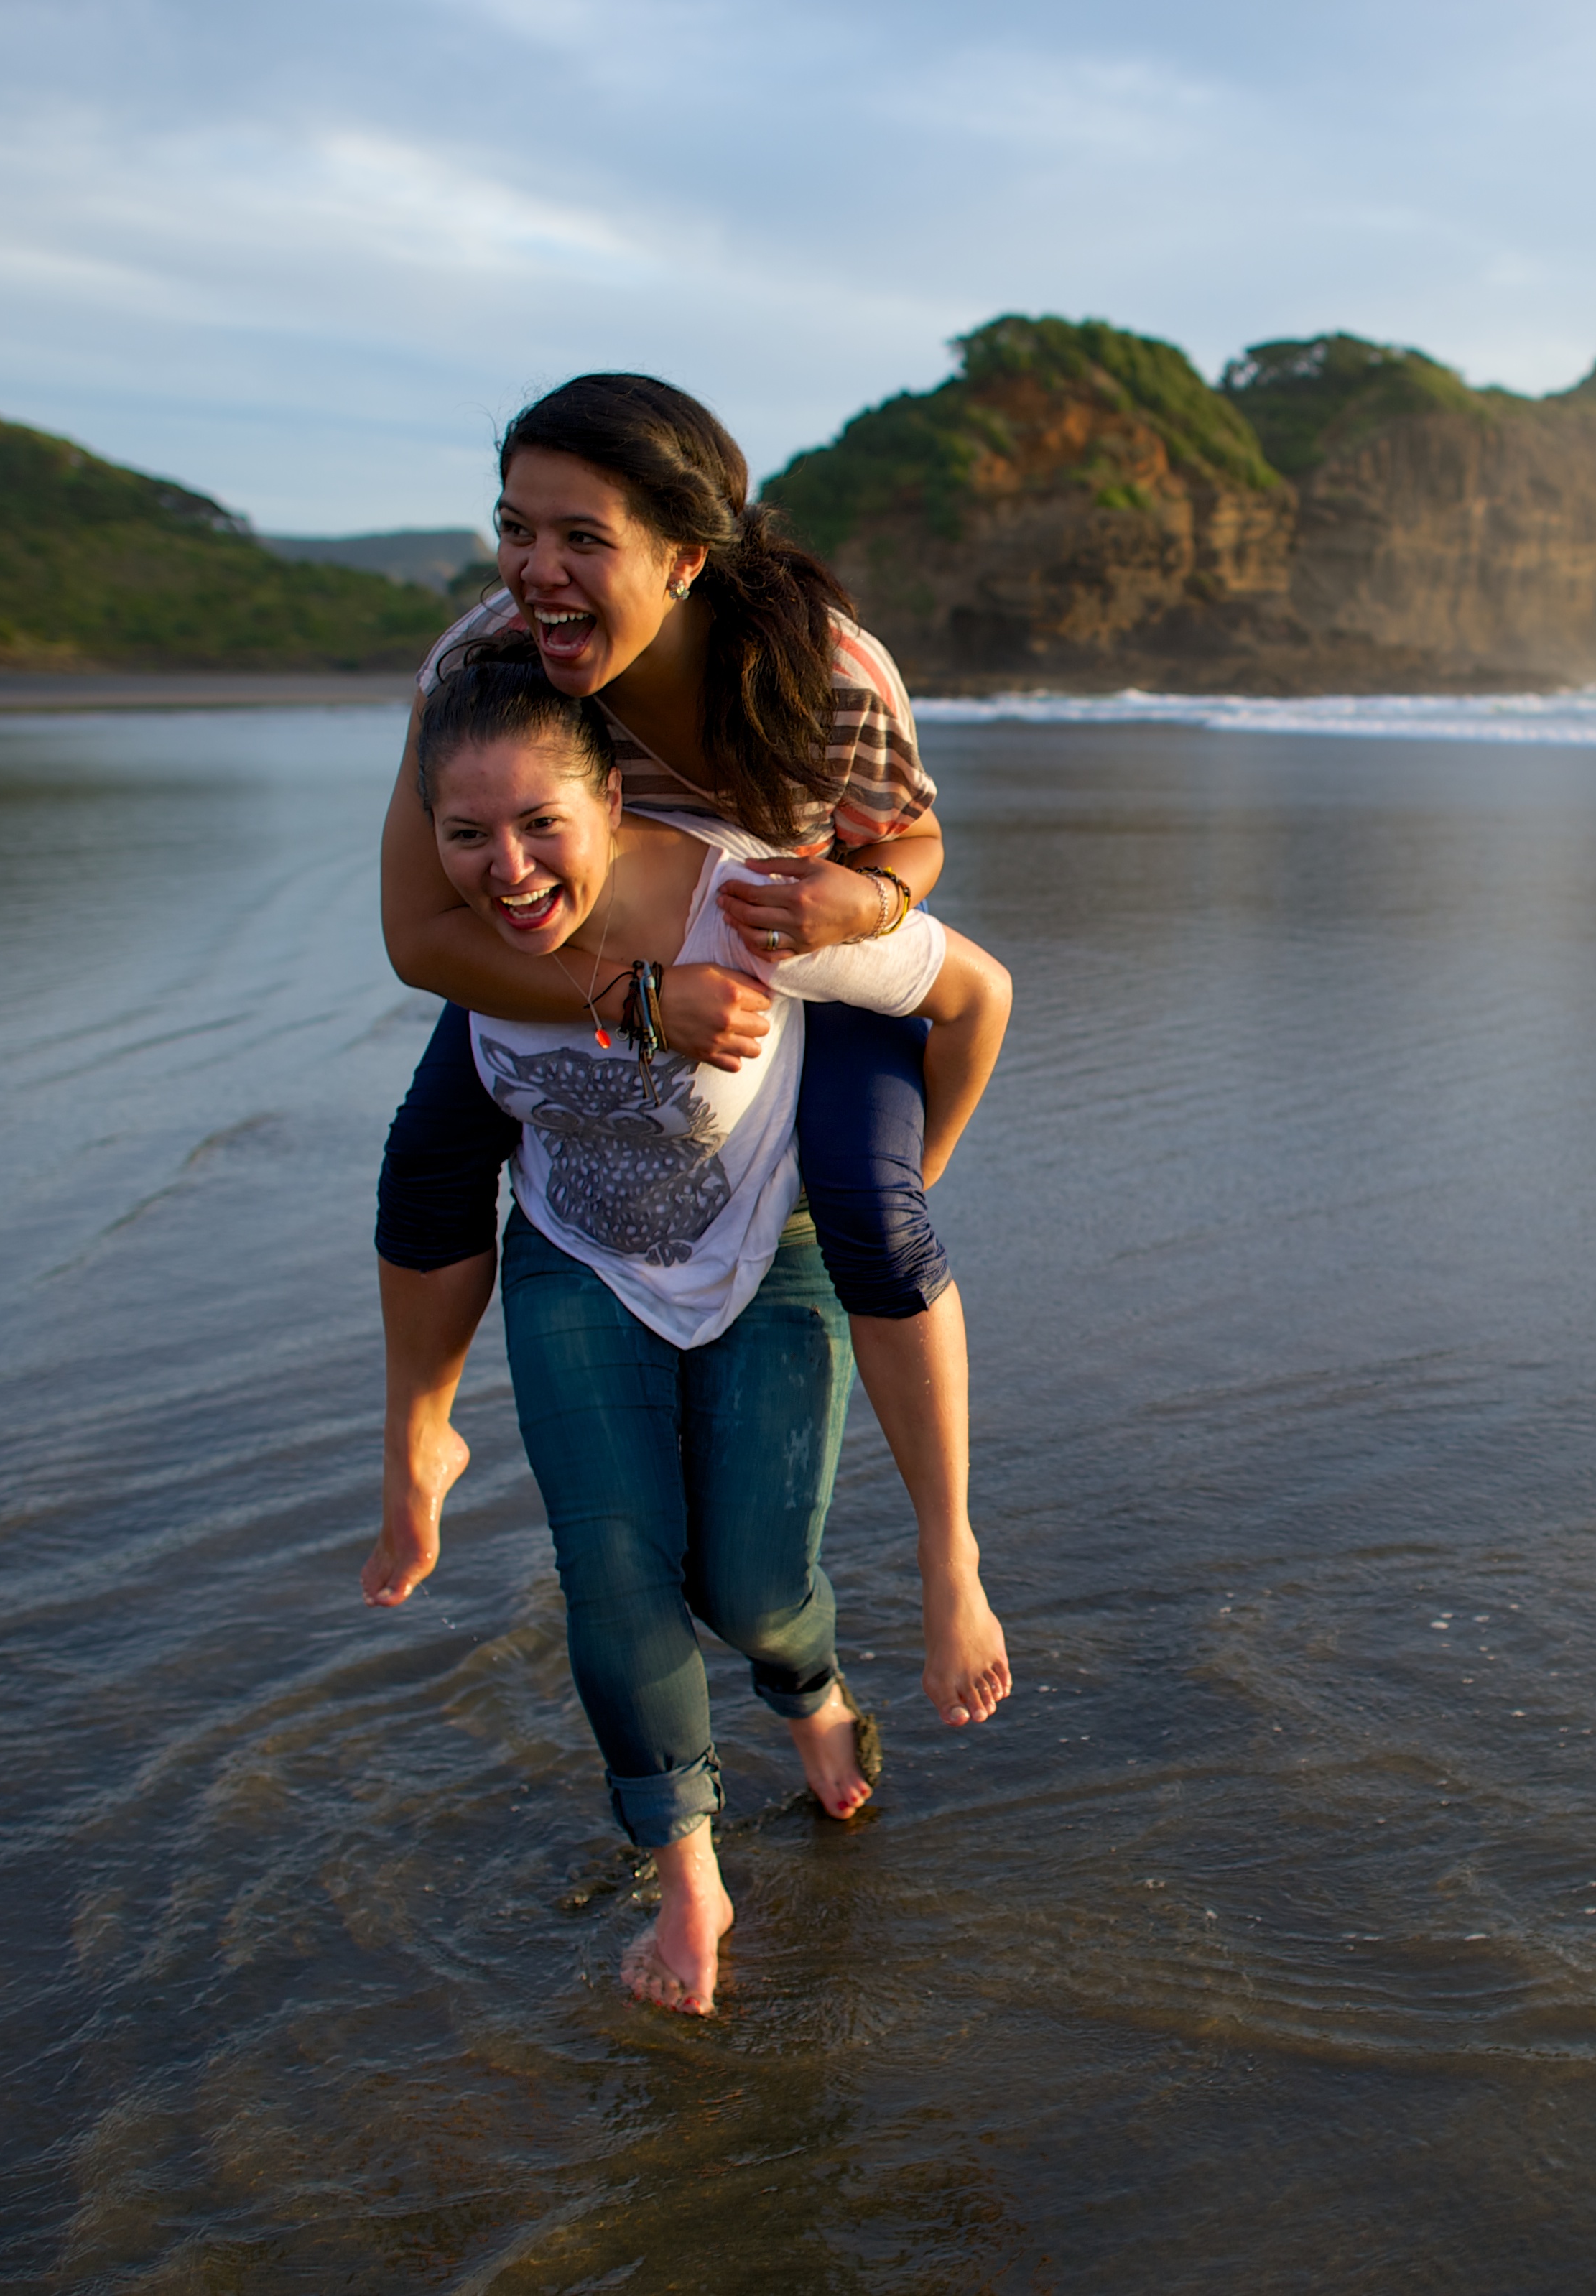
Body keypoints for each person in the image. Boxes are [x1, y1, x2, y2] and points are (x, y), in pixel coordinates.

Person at [362, 656, 1013, 2014]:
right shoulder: (466, 936)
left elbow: (975, 997)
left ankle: (811, 1689)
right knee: (611, 1569)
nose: (508, 868)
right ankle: (688, 1877)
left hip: (769, 1267)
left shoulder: (754, 908)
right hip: (574, 1263)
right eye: (466, 834)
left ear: (614, 798)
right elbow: (436, 1179)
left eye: (544, 823)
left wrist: (913, 1175)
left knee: (755, 1590)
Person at [364, 374, 1009, 1738]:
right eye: (514, 527)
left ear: (683, 556)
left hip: (791, 951)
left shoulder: (822, 674)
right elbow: (421, 931)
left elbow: (914, 841)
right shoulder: (485, 665)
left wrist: (869, 900)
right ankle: (418, 1436)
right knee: (430, 1149)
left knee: (871, 1213)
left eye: (579, 537)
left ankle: (948, 1559)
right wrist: (635, 997)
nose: (535, 572)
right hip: (588, 943)